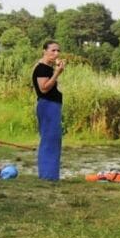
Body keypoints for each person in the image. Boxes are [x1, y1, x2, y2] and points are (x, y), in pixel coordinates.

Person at [32, 40, 66, 180]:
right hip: (47, 105)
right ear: (44, 51)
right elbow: (44, 88)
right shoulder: (41, 68)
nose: (56, 53)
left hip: (53, 105)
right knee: (49, 139)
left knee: (54, 139)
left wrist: (56, 69)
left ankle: (51, 175)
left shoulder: (47, 67)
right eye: (53, 50)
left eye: (58, 50)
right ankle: (47, 175)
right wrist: (57, 73)